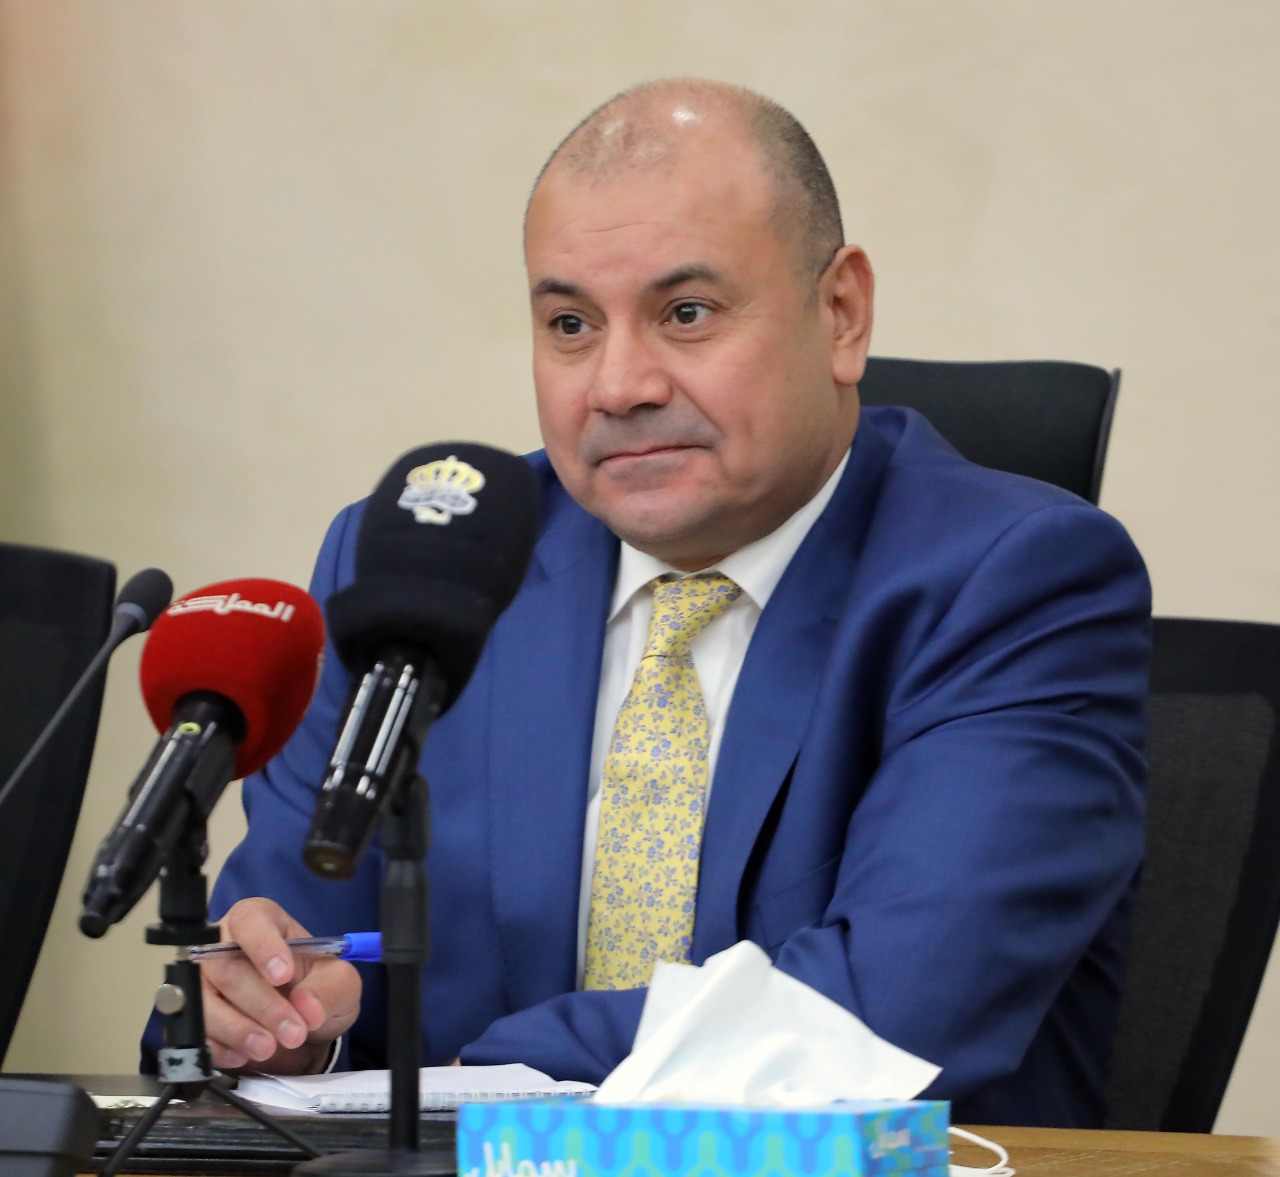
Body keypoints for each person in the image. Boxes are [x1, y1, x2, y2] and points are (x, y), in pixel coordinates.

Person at [160, 79, 1150, 1127]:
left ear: (841, 314)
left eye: (686, 313)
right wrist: (276, 1021)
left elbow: (886, 1012)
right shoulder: (421, 577)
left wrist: (473, 1073)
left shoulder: (1014, 580)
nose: (618, 384)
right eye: (570, 324)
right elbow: (289, 960)